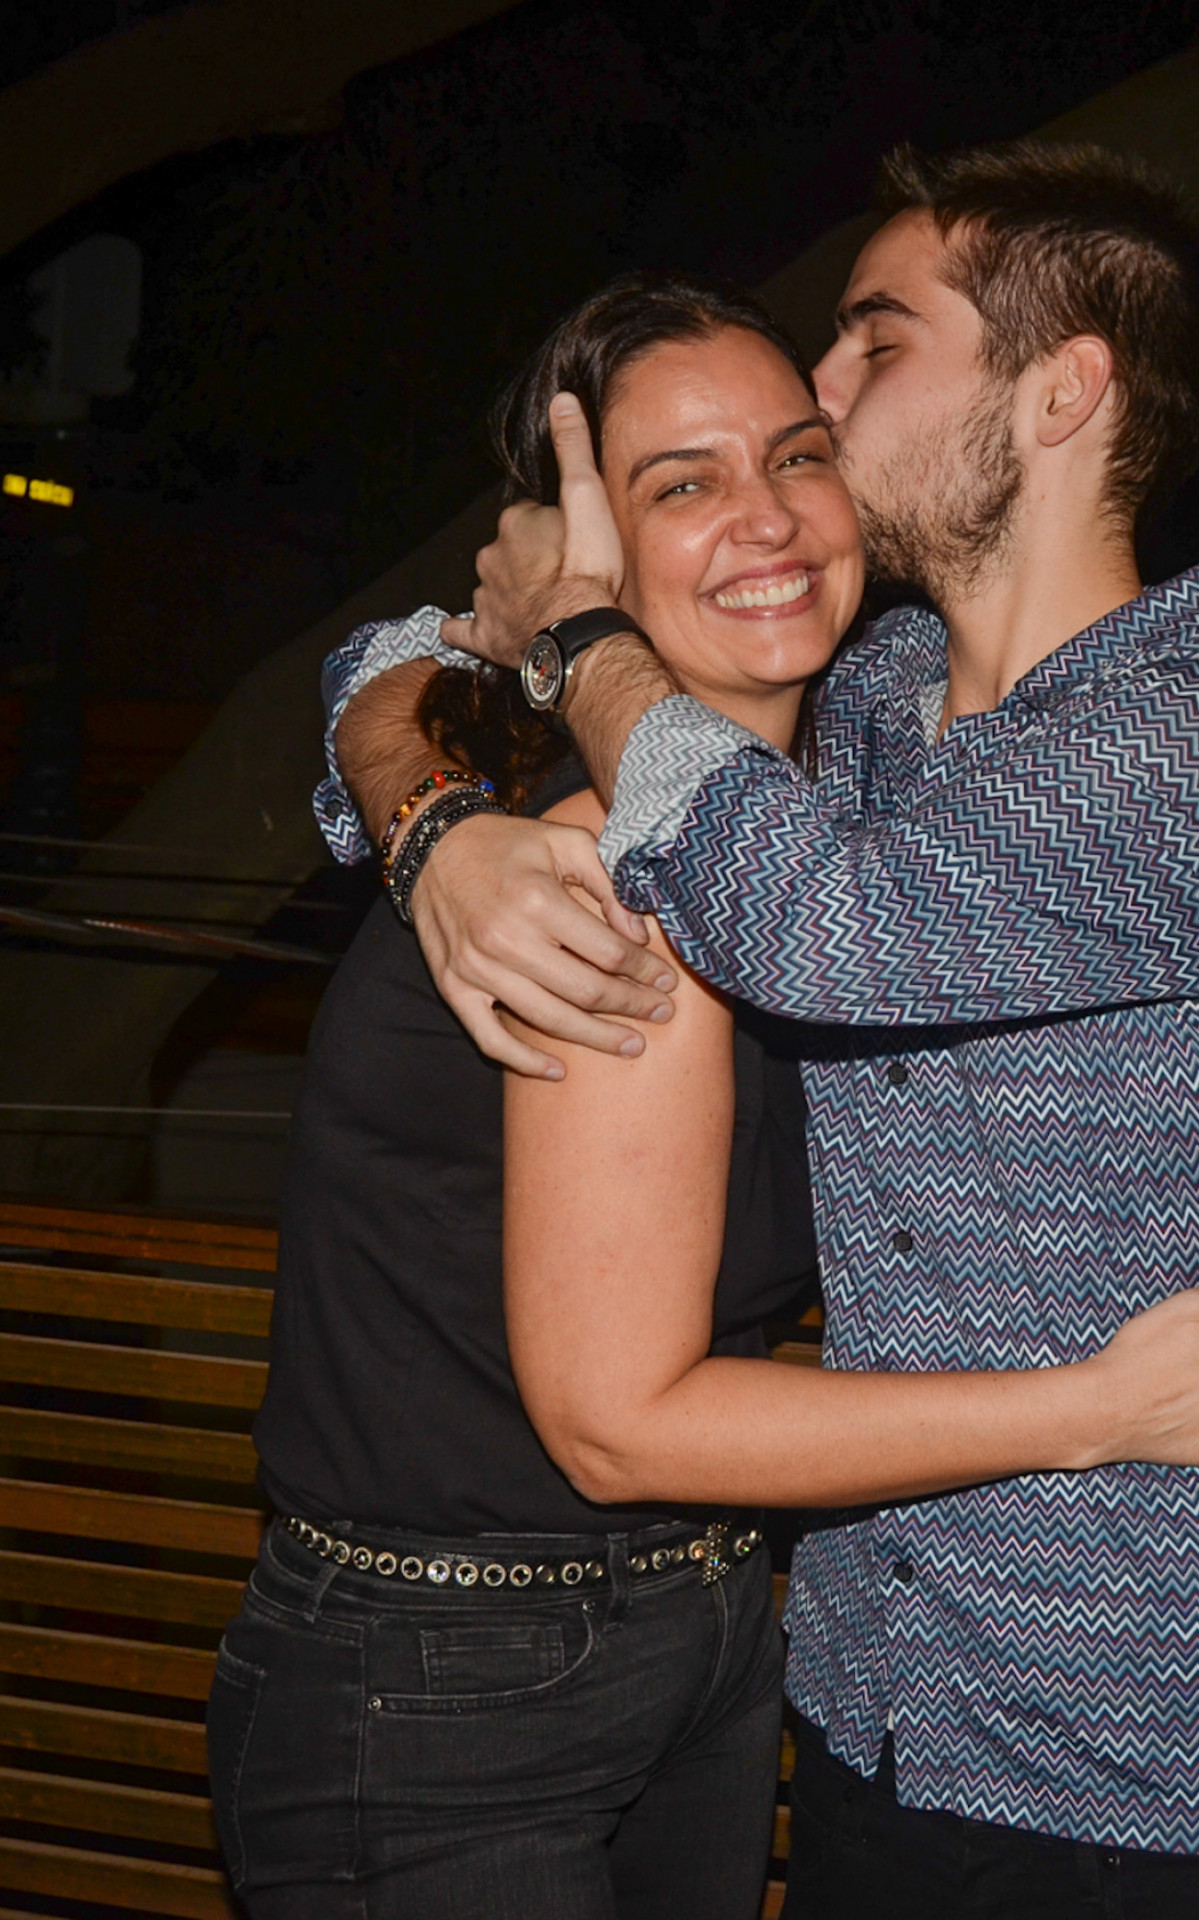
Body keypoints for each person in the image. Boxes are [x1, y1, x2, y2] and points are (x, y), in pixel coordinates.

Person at [317, 143, 1199, 1916]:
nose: (826, 396)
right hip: (861, 1701)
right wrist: (429, 819)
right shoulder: (873, 700)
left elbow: (826, 926)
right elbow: (417, 659)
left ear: (1062, 390)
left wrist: (574, 635)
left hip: (1120, 1740)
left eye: (868, 353)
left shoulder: (1161, 739)